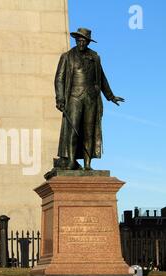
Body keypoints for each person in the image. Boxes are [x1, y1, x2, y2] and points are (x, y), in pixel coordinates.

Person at [55, 27, 125, 170]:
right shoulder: (67, 56)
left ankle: (88, 164)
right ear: (75, 40)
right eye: (78, 40)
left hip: (91, 99)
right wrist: (60, 99)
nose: (81, 43)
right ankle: (71, 161)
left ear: (88, 42)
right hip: (74, 97)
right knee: (73, 131)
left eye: (84, 41)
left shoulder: (95, 57)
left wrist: (110, 96)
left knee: (89, 132)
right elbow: (59, 79)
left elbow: (102, 78)